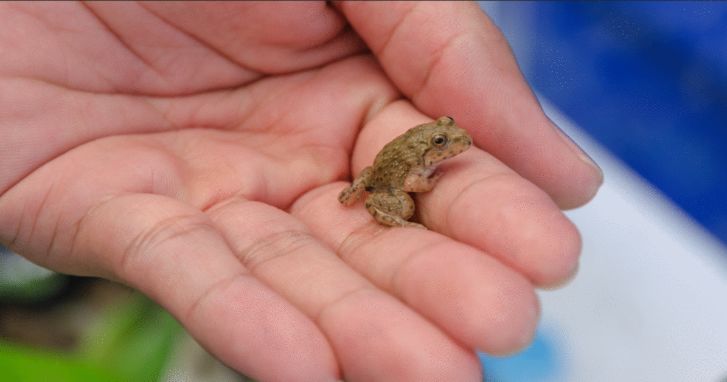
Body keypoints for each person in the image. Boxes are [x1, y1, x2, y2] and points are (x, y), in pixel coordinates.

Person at [0, 2, 602, 380]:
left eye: (447, 140)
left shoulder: (427, 141)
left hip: (370, 169)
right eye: (446, 143)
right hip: (383, 181)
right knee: (397, 215)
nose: (453, 144)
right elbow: (410, 181)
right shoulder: (421, 160)